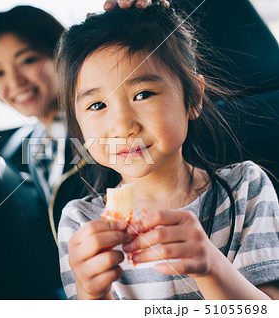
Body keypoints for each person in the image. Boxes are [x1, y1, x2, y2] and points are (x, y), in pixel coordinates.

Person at [55, 5, 279, 299]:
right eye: (97, 106)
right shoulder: (80, 222)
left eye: (143, 94)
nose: (123, 126)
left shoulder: (246, 188)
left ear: (193, 99)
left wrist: (211, 266)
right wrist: (92, 294)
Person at [0, 5, 88, 241]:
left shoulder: (93, 127)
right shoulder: (37, 141)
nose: (15, 81)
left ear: (60, 53)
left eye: (27, 60)